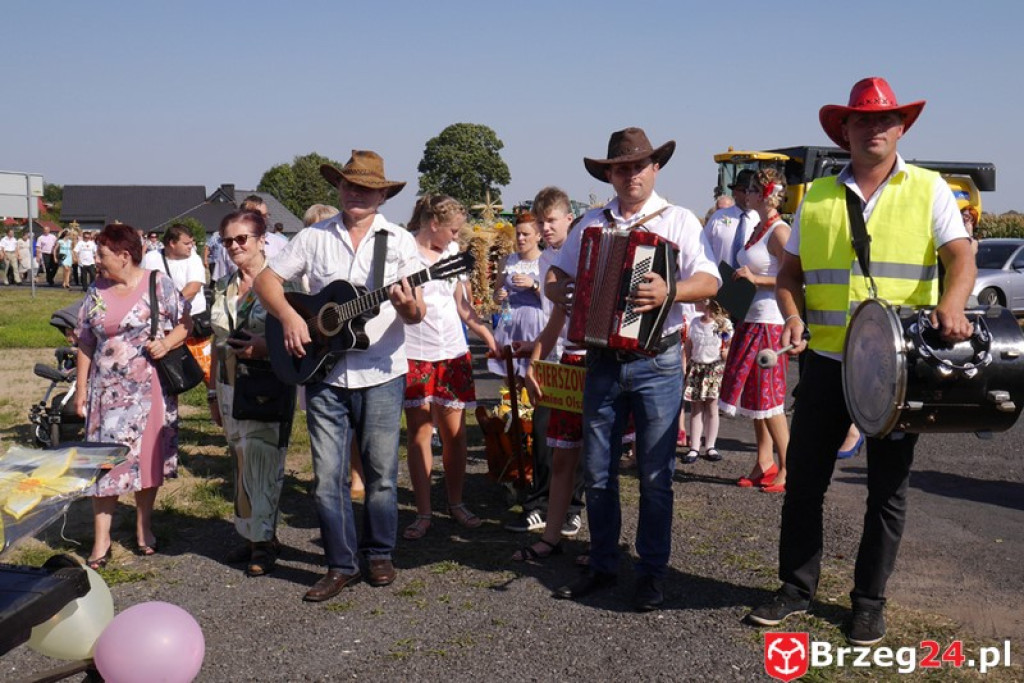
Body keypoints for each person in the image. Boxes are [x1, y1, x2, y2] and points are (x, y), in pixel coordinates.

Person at [747, 77, 976, 645]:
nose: (874, 127)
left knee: (888, 491)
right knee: (804, 483)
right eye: (863, 119)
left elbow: (961, 258)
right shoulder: (817, 196)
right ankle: (795, 589)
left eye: (885, 119)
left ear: (901, 128)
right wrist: (793, 316)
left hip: (898, 368)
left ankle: (869, 603)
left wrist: (953, 302)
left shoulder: (929, 189)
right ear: (844, 130)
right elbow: (790, 275)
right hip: (827, 363)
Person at [546, 127, 720, 610]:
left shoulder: (678, 220)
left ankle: (651, 573)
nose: (630, 175)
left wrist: (670, 291)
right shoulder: (591, 223)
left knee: (655, 475)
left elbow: (710, 281)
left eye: (638, 166)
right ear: (609, 174)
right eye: (621, 168)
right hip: (602, 360)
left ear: (655, 168)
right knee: (598, 471)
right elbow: (557, 272)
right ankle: (603, 565)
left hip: (657, 360)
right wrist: (556, 289)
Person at [254, 149, 425, 601]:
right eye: (350, 185)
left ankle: (380, 553)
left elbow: (416, 313)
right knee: (327, 477)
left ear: (382, 196)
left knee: (381, 474)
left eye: (367, 188)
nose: (357, 194)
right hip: (324, 374)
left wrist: (409, 306)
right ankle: (339, 564)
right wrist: (290, 317)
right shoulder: (313, 236)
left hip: (381, 372)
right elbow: (266, 281)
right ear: (339, 187)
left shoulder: (398, 241)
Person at [74, 223, 188, 569]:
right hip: (106, 394)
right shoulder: (96, 289)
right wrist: (81, 389)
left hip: (150, 391)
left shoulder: (158, 283)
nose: (96, 260)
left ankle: (144, 527)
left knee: (147, 461)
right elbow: (85, 342)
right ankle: (102, 540)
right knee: (104, 465)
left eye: (102, 254)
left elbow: (186, 323)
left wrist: (166, 343)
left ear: (124, 256)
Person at [401, 195, 501, 540]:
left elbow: (462, 305)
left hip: (453, 353)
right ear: (433, 224)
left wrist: (486, 335)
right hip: (415, 353)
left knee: (454, 435)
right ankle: (423, 511)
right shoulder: (405, 252)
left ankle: (456, 502)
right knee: (419, 433)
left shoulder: (453, 254)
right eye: (453, 230)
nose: (457, 237)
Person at [208, 210, 295, 577]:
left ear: (262, 240)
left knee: (264, 461)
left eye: (242, 238)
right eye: (227, 240)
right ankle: (248, 534)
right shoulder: (222, 285)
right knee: (241, 462)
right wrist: (212, 393)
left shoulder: (282, 284)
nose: (234, 246)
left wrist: (265, 348)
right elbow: (216, 342)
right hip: (229, 386)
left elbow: (298, 335)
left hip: (267, 384)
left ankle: (264, 541)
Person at [505, 187, 585, 539]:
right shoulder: (544, 260)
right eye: (540, 222)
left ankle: (572, 509)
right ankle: (538, 504)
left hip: (580, 353)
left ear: (569, 218)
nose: (545, 228)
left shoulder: (581, 253)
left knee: (576, 438)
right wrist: (533, 354)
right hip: (552, 351)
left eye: (551, 220)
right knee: (543, 432)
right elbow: (552, 317)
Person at [717, 169, 792, 490]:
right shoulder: (759, 228)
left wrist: (755, 279)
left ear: (763, 194)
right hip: (751, 317)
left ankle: (789, 467)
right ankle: (764, 461)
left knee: (770, 398)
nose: (744, 194)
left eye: (749, 190)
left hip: (770, 321)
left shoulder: (780, 231)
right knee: (755, 397)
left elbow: (793, 277)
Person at [487, 212, 545, 378]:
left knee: (533, 373)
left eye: (526, 234)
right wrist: (499, 297)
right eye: (518, 234)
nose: (520, 239)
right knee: (510, 374)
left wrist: (533, 285)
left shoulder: (545, 261)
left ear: (538, 236)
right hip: (509, 319)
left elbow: (552, 300)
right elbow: (497, 296)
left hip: (535, 322)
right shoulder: (507, 261)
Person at [682, 298, 732, 462]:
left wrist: (727, 353)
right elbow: (688, 345)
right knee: (696, 409)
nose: (694, 303)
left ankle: (710, 446)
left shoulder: (722, 324)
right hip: (697, 369)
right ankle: (694, 447)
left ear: (707, 302)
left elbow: (730, 345)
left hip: (714, 369)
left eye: (698, 300)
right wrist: (685, 364)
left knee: (712, 407)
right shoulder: (695, 322)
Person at [142, 224, 208, 332]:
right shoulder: (150, 258)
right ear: (172, 243)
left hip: (189, 323)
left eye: (191, 242)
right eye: (186, 243)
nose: (191, 246)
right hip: (160, 325)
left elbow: (193, 288)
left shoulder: (194, 259)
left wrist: (167, 307)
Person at [704, 169, 761, 270]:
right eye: (745, 191)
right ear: (735, 192)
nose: (748, 195)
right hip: (720, 278)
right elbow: (702, 248)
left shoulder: (761, 220)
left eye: (753, 191)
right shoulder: (718, 217)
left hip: (753, 278)